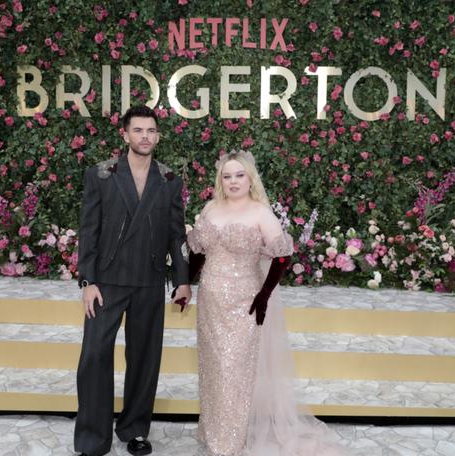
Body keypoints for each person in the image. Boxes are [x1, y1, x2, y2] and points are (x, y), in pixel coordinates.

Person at [186, 150, 345, 455]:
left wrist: (264, 295)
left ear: (250, 178)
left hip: (245, 301)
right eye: (227, 176)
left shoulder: (260, 212)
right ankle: (213, 431)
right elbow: (199, 253)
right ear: (221, 180)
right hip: (210, 301)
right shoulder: (210, 209)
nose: (233, 181)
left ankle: (229, 442)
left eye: (239, 175)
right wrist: (184, 285)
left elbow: (282, 255)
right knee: (213, 367)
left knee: (233, 369)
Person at [74, 105, 192, 456]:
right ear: (124, 134)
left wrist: (182, 280)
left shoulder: (169, 179)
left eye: (151, 130)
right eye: (138, 130)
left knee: (145, 358)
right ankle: (93, 440)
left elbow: (176, 235)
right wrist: (88, 281)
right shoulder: (102, 174)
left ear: (158, 135)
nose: (145, 136)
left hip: (150, 280)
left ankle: (134, 430)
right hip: (106, 282)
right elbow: (88, 230)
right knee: (94, 356)